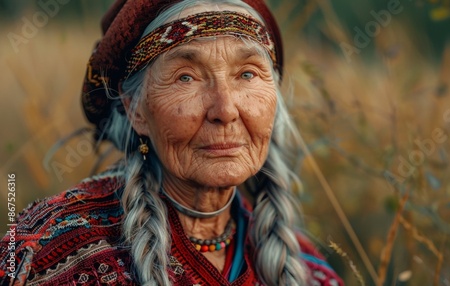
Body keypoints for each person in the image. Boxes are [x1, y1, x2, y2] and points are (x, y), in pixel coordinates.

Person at [0, 0, 344, 285]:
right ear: (136, 109)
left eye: (247, 74)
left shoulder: (307, 270)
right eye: (186, 77)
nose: (225, 110)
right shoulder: (47, 247)